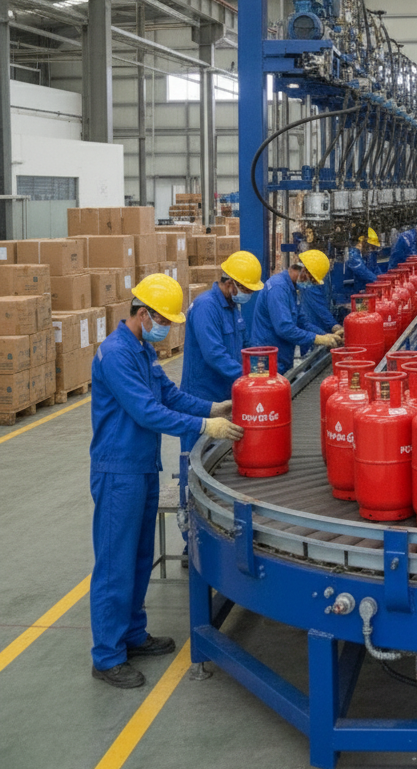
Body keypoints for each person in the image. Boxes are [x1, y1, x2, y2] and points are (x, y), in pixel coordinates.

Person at [89, 274, 243, 689]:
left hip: (141, 465)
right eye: (163, 321)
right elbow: (146, 411)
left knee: (140, 557)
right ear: (143, 313)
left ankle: (132, 635)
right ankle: (107, 655)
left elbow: (169, 395)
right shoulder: (117, 354)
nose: (167, 329)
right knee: (115, 564)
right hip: (118, 469)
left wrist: (213, 407)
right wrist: (204, 427)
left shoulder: (142, 349)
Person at [179, 250, 264, 455]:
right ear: (230, 283)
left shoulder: (233, 307)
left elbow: (246, 345)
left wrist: (259, 367)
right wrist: (248, 376)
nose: (249, 295)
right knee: (197, 457)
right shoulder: (206, 307)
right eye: (246, 289)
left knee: (219, 455)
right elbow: (214, 354)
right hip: (203, 398)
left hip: (225, 395)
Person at [249, 249, 341, 373]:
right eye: (311, 280)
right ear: (303, 271)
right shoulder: (278, 288)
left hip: (282, 356)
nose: (310, 284)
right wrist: (317, 339)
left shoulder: (292, 289)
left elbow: (302, 323)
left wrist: (326, 336)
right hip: (266, 359)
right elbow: (284, 328)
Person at [337, 228, 380, 306]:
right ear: (362, 242)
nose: (371, 249)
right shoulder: (352, 255)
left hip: (358, 294)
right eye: (370, 246)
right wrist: (380, 282)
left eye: (373, 247)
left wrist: (385, 279)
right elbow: (362, 271)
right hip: (347, 297)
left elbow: (375, 268)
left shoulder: (365, 255)